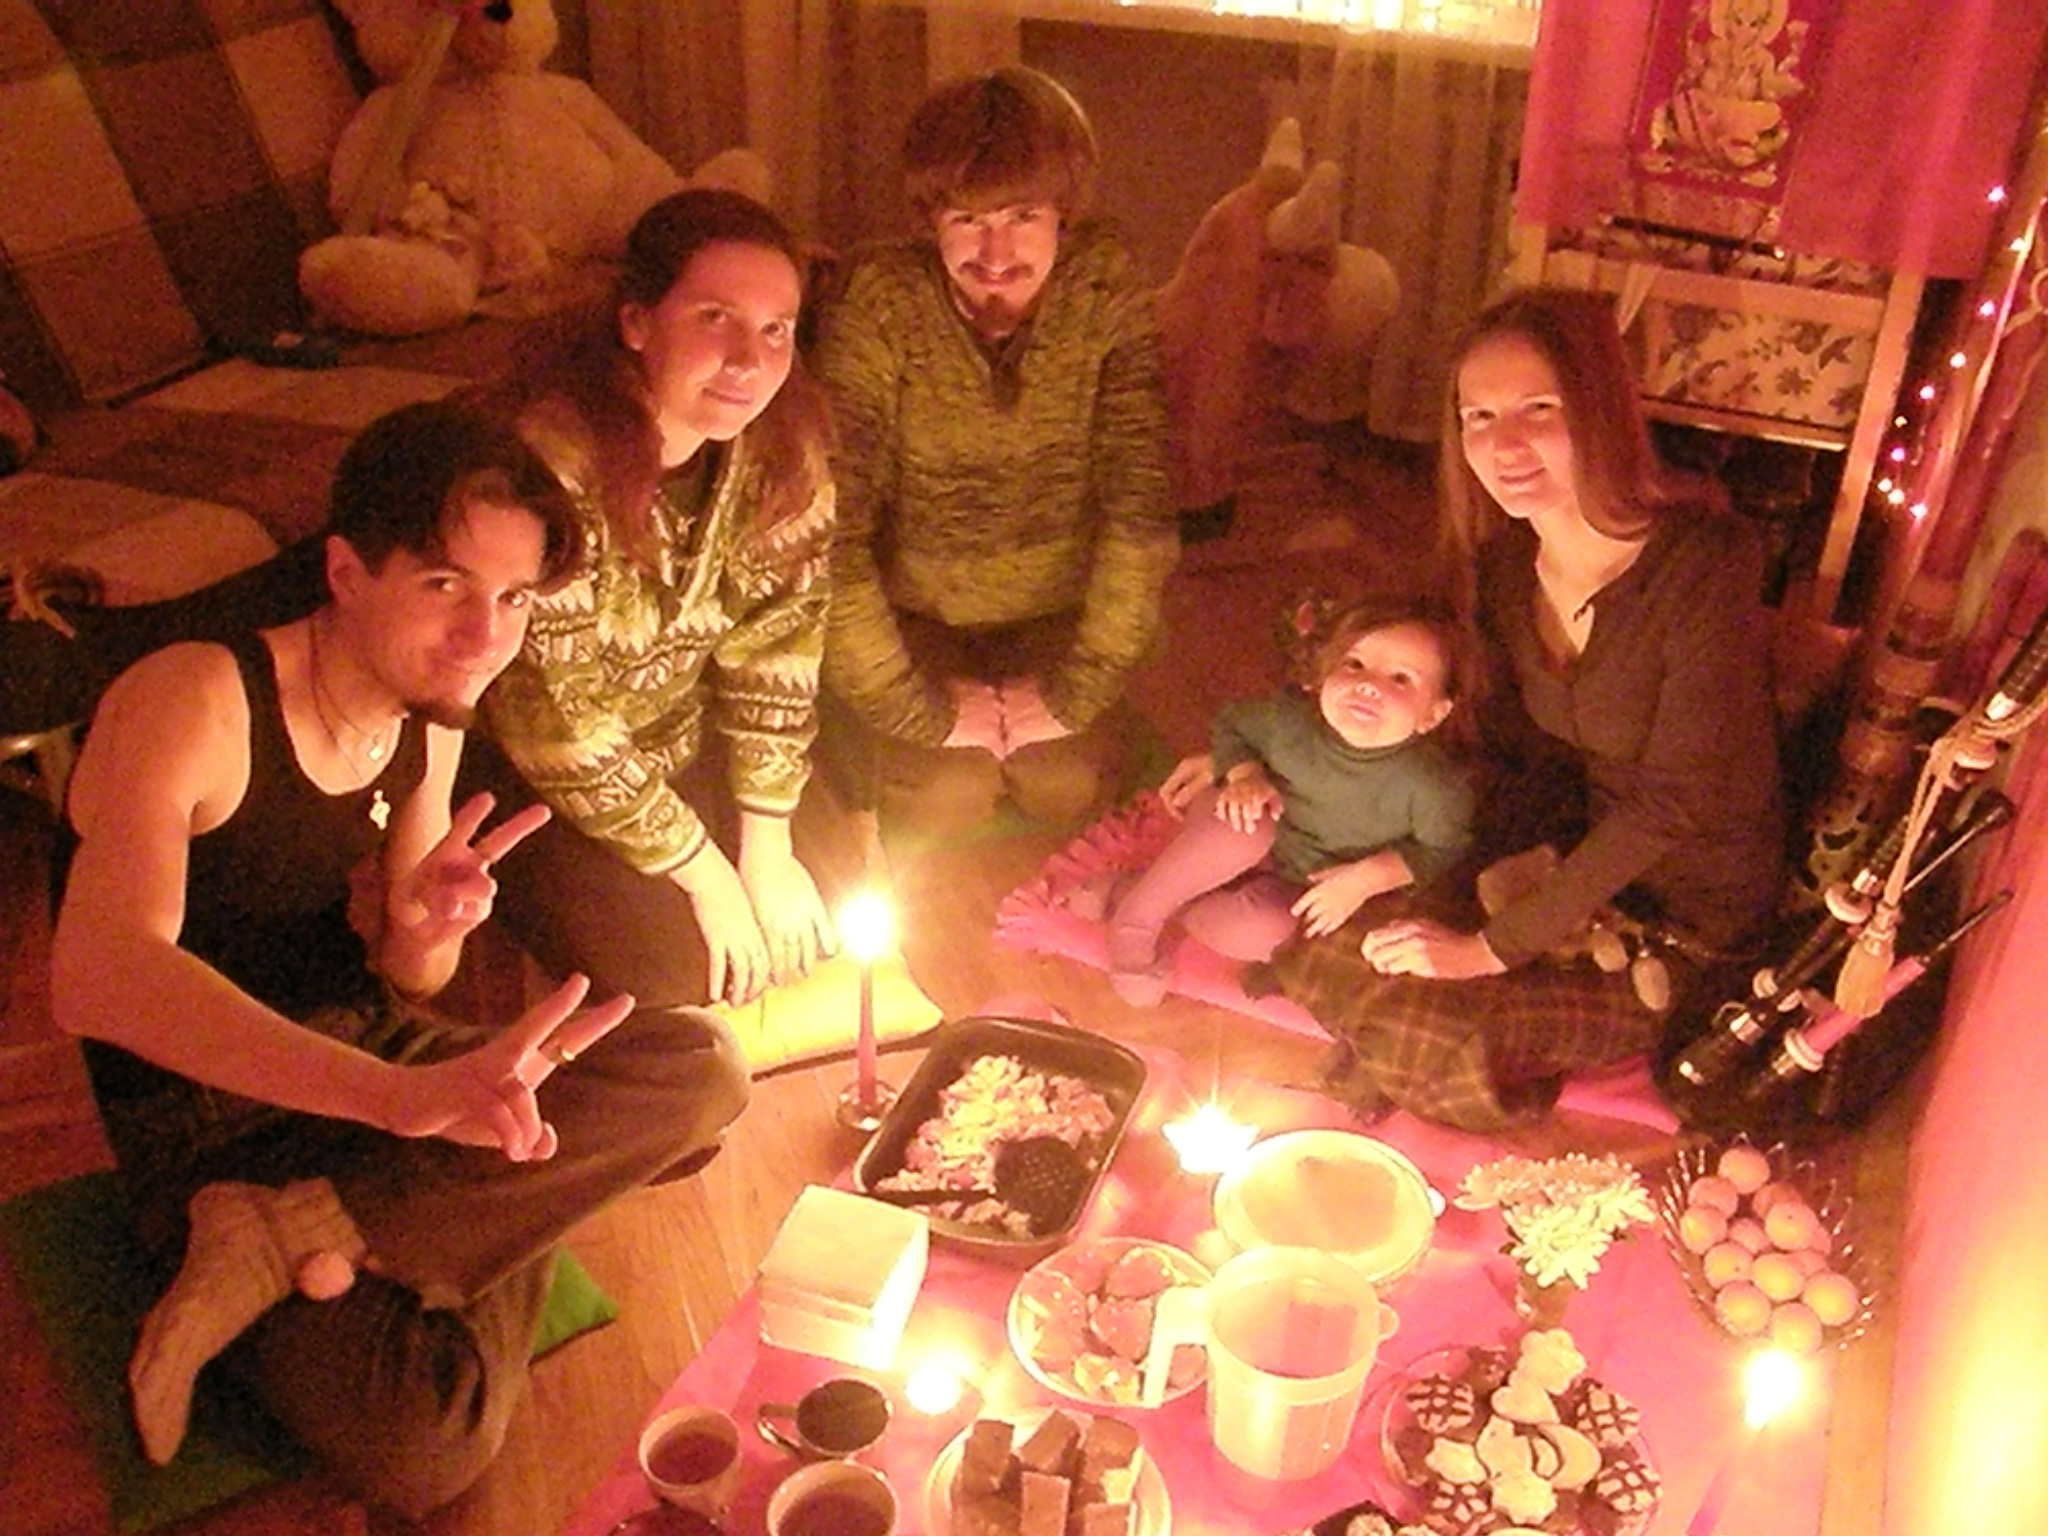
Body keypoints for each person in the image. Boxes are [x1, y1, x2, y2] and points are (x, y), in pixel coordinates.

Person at [49, 401, 752, 1518]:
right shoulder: (195, 698)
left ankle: (291, 1238)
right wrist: (395, 1100)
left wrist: (422, 933)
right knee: (430, 1443)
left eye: (513, 598)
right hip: (208, 1130)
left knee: (699, 1069)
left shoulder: (428, 713)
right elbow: (97, 976)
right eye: (444, 585)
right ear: (344, 572)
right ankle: (417, 1219)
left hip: (370, 1065)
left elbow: (410, 984)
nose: (485, 635)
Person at [1271, 286, 1786, 1131]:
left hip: (1687, 920)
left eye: (1537, 410)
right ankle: (1424, 1042)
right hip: (1565, 859)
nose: (1502, 446)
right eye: (1478, 417)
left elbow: (1674, 803)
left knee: (1430, 1028)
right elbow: (1502, 753)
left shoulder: (1704, 562)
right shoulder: (1508, 568)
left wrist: (1487, 949)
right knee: (1338, 936)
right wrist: (1290, 764)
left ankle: (1444, 1057)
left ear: (1599, 410)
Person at [469, 187, 846, 1010]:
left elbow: (779, 646)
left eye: (775, 330)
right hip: (552, 777)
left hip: (684, 737)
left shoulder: (784, 452)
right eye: (715, 318)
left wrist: (766, 849)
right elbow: (554, 718)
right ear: (637, 322)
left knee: (833, 896)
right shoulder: (548, 470)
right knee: (678, 968)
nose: (748, 361)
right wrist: (706, 874)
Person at [811, 66, 1179, 840]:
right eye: (968, 219)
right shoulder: (879, 300)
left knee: (1062, 786)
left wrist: (1075, 692)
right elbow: (833, 528)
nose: (997, 250)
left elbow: (1138, 508)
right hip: (918, 615)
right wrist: (915, 704)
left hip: (1055, 611)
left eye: (1023, 215)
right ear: (930, 218)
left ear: (1062, 214)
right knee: (949, 796)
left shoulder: (1105, 282)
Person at [1098, 594, 1476, 1005]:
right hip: (1240, 827)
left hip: (1301, 878)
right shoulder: (1289, 720)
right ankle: (1135, 923)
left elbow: (1442, 849)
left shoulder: (1434, 787)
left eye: (1400, 679)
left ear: (1433, 715)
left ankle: (1141, 893)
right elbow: (1233, 725)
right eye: (1354, 664)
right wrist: (1245, 775)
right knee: (1245, 826)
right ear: (1323, 674)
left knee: (1268, 931)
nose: (1368, 685)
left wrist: (1367, 878)